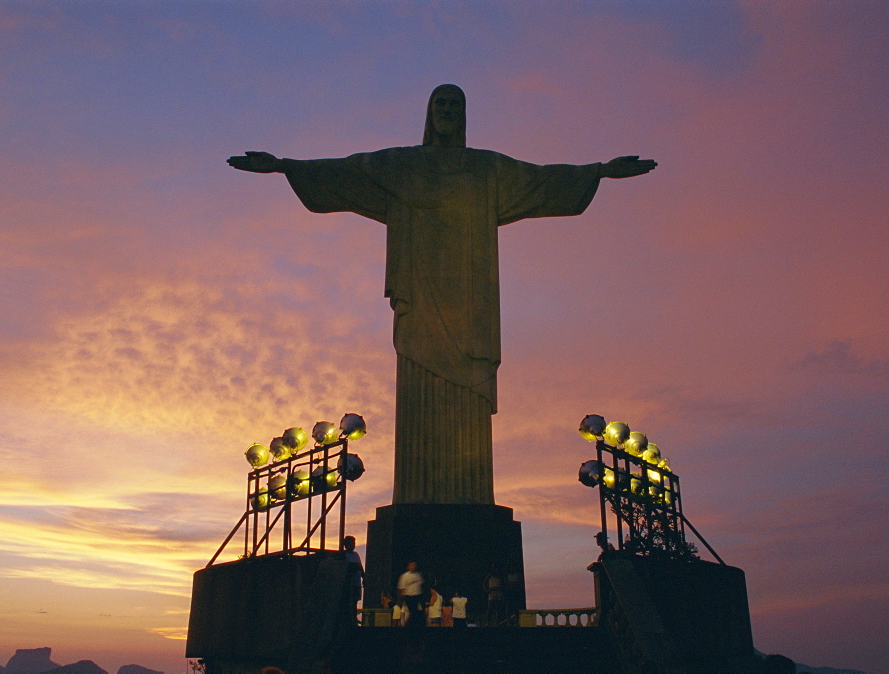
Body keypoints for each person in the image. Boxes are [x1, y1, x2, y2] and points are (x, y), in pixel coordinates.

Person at [227, 85, 656, 506]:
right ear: (429, 112)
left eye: (455, 103)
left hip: (471, 306)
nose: (447, 110)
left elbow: (542, 179)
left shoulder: (487, 170)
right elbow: (348, 170)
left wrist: (598, 170)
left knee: (468, 389)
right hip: (418, 297)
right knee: (417, 377)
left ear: (464, 114)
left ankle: (468, 496)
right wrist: (284, 165)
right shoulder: (402, 166)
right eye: (441, 103)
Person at [397, 561, 425, 628]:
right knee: (412, 612)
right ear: (408, 567)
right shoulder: (405, 576)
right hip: (409, 596)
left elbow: (422, 585)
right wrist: (400, 600)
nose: (413, 566)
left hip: (418, 596)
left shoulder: (418, 575)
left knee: (418, 613)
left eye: (414, 565)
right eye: (411, 565)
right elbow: (401, 588)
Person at [342, 536, 364, 612]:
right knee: (348, 602)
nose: (354, 545)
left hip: (356, 583)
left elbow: (360, 567)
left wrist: (364, 577)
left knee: (355, 601)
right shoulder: (343, 555)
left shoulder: (355, 554)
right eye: (352, 543)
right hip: (349, 584)